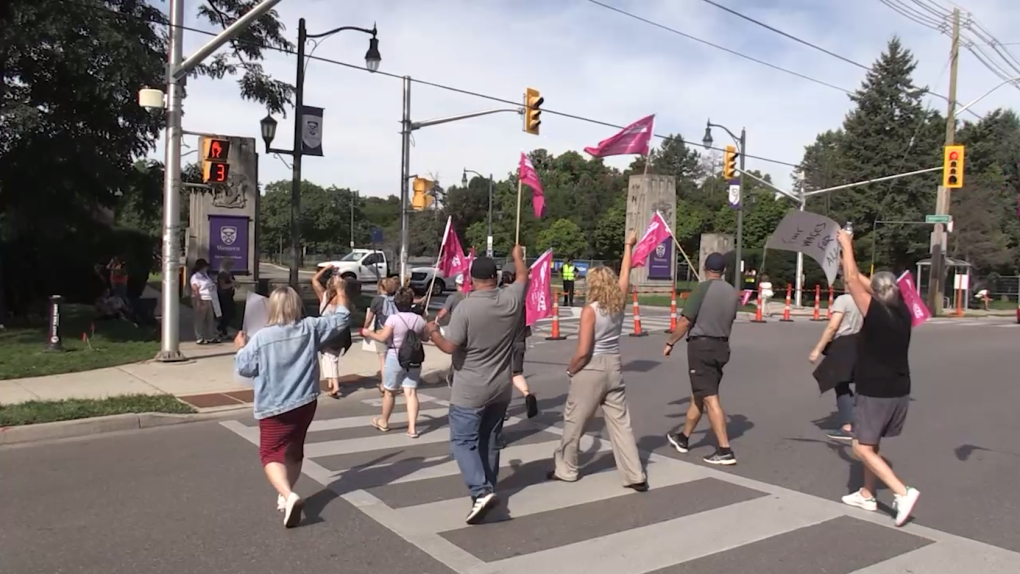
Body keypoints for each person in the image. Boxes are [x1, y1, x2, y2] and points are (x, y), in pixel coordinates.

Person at [424, 246, 528, 525]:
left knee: (462, 441)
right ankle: (487, 489)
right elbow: (522, 276)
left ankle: (480, 491)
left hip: (470, 387)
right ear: (495, 277)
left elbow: (449, 346)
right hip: (500, 387)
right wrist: (518, 255)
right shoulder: (511, 300)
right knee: (490, 442)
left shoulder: (466, 307)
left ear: (471, 279)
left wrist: (432, 330)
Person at [234, 284, 351, 528]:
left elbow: (244, 367)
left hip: (274, 406)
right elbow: (342, 318)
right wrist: (340, 291)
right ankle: (286, 494)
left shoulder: (261, 338)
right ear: (297, 305)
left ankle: (288, 495)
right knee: (294, 450)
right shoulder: (310, 327)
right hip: (305, 401)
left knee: (270, 453)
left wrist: (241, 347)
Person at [550, 231, 647, 490]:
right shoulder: (619, 302)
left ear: (592, 285)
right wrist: (629, 245)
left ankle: (567, 469)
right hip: (614, 365)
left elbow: (583, 351)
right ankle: (634, 474)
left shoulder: (589, 311)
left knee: (575, 421)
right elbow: (626, 273)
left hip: (591, 367)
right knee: (621, 424)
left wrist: (572, 370)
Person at [836, 230, 919, 527]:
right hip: (899, 389)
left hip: (876, 390)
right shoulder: (903, 311)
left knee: (859, 447)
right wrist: (851, 258)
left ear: (874, 293)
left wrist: (846, 244)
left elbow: (851, 280)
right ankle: (867, 493)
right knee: (871, 444)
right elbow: (861, 280)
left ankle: (902, 492)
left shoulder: (874, 311)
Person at [662, 252, 739, 466]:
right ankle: (683, 437)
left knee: (709, 397)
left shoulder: (702, 289)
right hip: (722, 346)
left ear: (705, 268)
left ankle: (725, 450)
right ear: (724, 271)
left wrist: (670, 342)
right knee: (701, 393)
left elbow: (686, 321)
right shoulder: (733, 293)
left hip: (702, 346)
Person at [361, 286, 427, 438]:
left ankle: (384, 421)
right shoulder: (419, 319)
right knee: (410, 393)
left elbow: (383, 338)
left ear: (396, 303)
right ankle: (412, 428)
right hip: (414, 358)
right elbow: (425, 338)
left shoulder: (393, 319)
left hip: (395, 355)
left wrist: (369, 333)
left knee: (390, 392)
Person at [809, 282, 863, 441]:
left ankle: (848, 426)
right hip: (859, 342)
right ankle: (859, 420)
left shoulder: (844, 300)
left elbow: (833, 327)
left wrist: (818, 349)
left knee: (840, 383)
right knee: (855, 384)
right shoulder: (864, 300)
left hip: (843, 344)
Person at [500, 269, 539, 420]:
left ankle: (501, 409)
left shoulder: (501, 299)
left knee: (502, 377)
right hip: (519, 342)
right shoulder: (522, 303)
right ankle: (527, 394)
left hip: (504, 344)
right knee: (516, 373)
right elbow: (527, 328)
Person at [312, 266, 351, 398]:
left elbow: (315, 280)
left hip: (325, 332)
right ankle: (331, 382)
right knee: (330, 358)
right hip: (340, 333)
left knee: (329, 358)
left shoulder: (324, 296)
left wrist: (326, 268)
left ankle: (335, 386)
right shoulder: (343, 298)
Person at [363, 277, 399, 388]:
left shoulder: (377, 300)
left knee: (383, 360)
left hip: (381, 331)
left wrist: (365, 329)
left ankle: (385, 384)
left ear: (380, 287)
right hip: (395, 330)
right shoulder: (397, 299)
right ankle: (395, 382)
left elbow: (369, 318)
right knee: (393, 357)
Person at [189, 258, 220, 344]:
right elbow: (195, 289)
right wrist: (198, 300)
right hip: (201, 299)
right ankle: (199, 337)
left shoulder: (206, 275)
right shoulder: (195, 277)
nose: (206, 268)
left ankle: (210, 336)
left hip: (209, 298)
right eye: (205, 266)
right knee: (200, 319)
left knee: (210, 318)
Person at [216, 259, 236, 338]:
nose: (231, 267)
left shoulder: (229, 274)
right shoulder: (222, 274)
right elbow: (223, 286)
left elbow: (232, 283)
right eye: (230, 265)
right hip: (223, 296)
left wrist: (235, 284)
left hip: (229, 295)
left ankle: (222, 329)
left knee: (231, 313)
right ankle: (221, 329)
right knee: (226, 314)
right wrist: (232, 284)